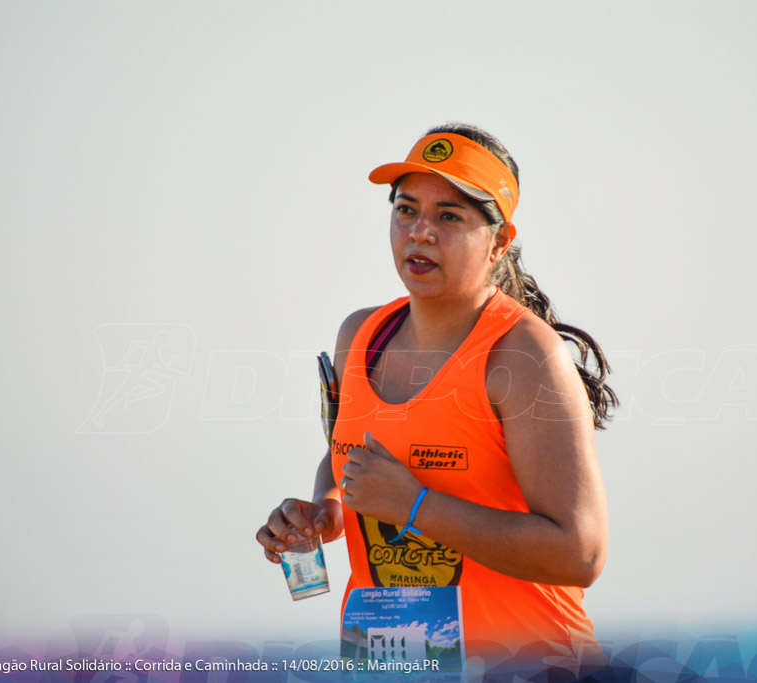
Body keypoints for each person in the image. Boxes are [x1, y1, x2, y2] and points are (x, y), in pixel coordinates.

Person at [256, 123, 618, 677]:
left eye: (449, 216)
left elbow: (581, 552)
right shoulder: (360, 335)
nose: (420, 232)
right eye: (406, 209)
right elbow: (345, 455)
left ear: (499, 241)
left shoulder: (521, 356)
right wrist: (323, 512)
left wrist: (415, 506)